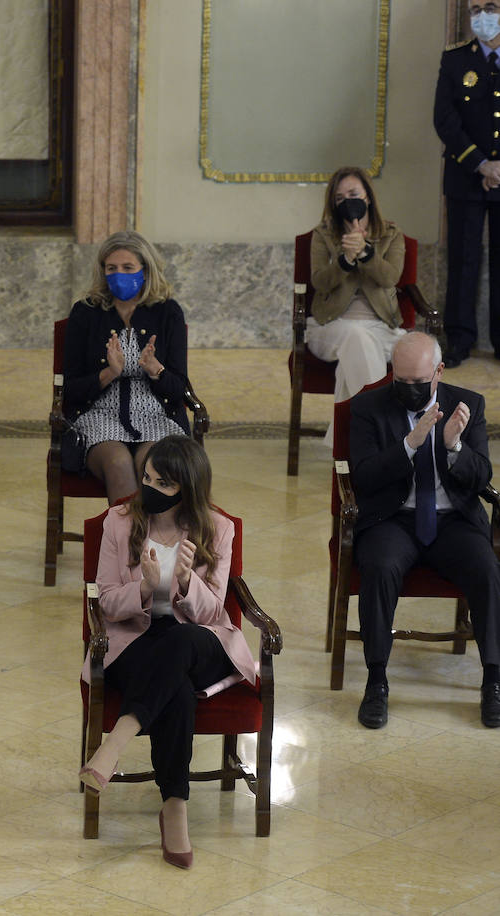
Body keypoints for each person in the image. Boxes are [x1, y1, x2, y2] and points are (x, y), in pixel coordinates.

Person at [77, 435, 255, 870]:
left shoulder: (218, 528)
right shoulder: (118, 522)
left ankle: (117, 740)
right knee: (172, 685)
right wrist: (142, 587)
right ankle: (175, 806)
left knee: (179, 642)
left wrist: (186, 581)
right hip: (133, 641)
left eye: (163, 482)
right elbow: (104, 601)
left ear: (187, 487)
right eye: (147, 477)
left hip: (199, 640)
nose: (149, 487)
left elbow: (214, 610)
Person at [347, 331, 500, 729]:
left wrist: (453, 448)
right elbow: (362, 478)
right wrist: (410, 445)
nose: (409, 389)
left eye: (419, 382)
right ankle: (377, 679)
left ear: (438, 372)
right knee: (379, 567)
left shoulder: (469, 405)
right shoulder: (367, 407)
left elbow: (482, 475)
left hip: (453, 522)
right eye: (401, 380)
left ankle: (493, 679)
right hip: (394, 519)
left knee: (487, 569)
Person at [63, 230, 191, 504]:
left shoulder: (168, 312)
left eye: (128, 268)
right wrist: (108, 373)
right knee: (118, 461)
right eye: (112, 268)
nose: (119, 275)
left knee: (153, 464)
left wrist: (157, 370)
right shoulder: (85, 313)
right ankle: (126, 545)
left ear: (145, 270)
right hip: (99, 417)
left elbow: (179, 389)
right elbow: (70, 390)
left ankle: (154, 544)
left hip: (157, 417)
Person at [305, 167, 406, 418]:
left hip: (383, 327)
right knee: (357, 337)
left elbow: (390, 277)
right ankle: (383, 431)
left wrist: (366, 253)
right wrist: (345, 260)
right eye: (340, 199)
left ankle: (345, 445)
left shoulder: (391, 235)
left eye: (353, 194)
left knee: (430, 352)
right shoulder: (323, 235)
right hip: (332, 325)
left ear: (368, 197)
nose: (347, 202)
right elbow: (320, 282)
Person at [433, 3, 500, 367]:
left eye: (490, 7)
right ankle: (459, 339)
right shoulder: (456, 60)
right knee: (463, 260)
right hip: (465, 175)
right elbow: (444, 119)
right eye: (475, 8)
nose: (482, 15)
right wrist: (482, 164)